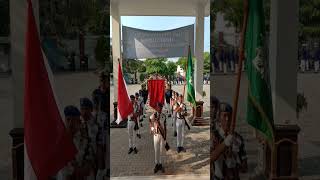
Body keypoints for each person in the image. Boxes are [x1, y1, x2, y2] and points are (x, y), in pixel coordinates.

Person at [212, 103, 248, 180]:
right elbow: (211, 158)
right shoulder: (214, 136)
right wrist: (225, 143)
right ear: (219, 118)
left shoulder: (238, 138)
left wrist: (236, 159)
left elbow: (245, 168)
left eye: (229, 116)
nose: (227, 119)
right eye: (224, 116)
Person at [57, 106, 91, 180]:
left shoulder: (83, 140)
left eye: (73, 120)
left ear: (79, 122)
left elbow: (88, 166)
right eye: (68, 119)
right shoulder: (60, 141)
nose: (70, 123)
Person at [92, 72, 109, 180]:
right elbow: (95, 109)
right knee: (100, 147)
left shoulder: (108, 93)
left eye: (105, 81)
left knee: (107, 147)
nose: (104, 83)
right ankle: (101, 170)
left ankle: (106, 169)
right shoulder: (96, 93)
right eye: (102, 81)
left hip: (107, 121)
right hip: (100, 122)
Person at [80, 98, 99, 179]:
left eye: (86, 109)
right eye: (82, 109)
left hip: (94, 160)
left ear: (91, 109)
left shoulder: (96, 124)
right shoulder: (79, 124)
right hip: (82, 162)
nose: (84, 112)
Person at [149, 102, 169, 173]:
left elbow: (165, 127)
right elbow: (150, 121)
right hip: (156, 135)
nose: (159, 109)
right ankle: (156, 164)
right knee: (156, 150)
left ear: (162, 108)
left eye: (160, 108)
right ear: (156, 108)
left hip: (162, 135)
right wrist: (151, 129)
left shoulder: (163, 116)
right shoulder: (153, 115)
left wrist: (165, 138)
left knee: (161, 151)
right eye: (158, 107)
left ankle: (160, 164)